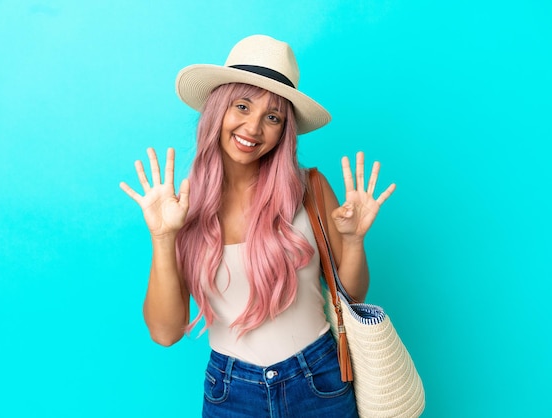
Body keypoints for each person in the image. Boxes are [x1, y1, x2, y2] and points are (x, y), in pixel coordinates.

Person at [120, 34, 396, 418]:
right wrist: (164, 237)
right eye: (242, 106)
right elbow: (166, 333)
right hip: (231, 392)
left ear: (284, 132)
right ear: (218, 110)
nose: (253, 127)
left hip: (319, 380)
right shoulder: (181, 209)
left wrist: (353, 242)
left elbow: (351, 295)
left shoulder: (309, 188)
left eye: (272, 117)